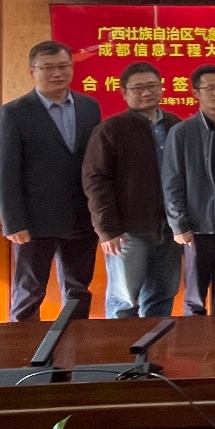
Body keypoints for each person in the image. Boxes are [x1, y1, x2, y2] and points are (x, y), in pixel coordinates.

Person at [0, 41, 102, 321]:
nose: (57, 73)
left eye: (63, 66)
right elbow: (4, 171)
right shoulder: (13, 113)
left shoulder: (89, 107)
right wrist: (13, 222)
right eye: (48, 68)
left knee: (79, 290)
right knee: (30, 291)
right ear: (32, 72)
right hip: (34, 221)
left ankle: (74, 343)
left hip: (81, 216)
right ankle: (23, 347)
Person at [82, 62, 182, 319]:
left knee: (163, 295)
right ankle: (121, 346)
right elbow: (95, 181)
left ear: (161, 88)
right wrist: (107, 230)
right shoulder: (111, 129)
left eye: (152, 86)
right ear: (124, 93)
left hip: (170, 228)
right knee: (124, 300)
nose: (146, 92)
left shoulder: (175, 125)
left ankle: (156, 343)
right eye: (138, 88)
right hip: (127, 232)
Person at [162, 65, 215, 315]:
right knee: (196, 297)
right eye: (210, 88)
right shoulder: (181, 132)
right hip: (198, 227)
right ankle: (195, 340)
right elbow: (172, 181)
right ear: (196, 92)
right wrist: (179, 224)